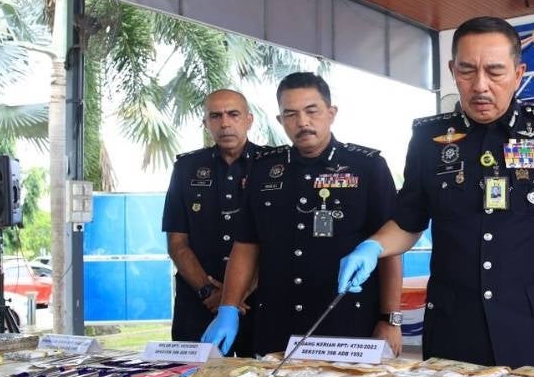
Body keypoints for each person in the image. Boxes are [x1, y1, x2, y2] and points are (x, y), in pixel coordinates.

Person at [337, 16, 534, 371]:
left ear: (518, 73)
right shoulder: (429, 139)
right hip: (455, 328)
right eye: (467, 71)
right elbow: (408, 222)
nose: (480, 85)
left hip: (533, 327)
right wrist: (373, 247)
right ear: (453, 71)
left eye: (495, 72)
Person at [202, 72, 403, 356]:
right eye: (291, 114)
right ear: (280, 120)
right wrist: (228, 308)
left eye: (312, 111)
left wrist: (390, 318)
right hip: (277, 325)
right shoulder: (263, 170)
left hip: (347, 325)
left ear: (331, 113)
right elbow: (246, 245)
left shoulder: (367, 167)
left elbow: (389, 249)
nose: (303, 122)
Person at [161, 89, 259, 355]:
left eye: (233, 114)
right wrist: (209, 293)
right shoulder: (186, 168)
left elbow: (279, 240)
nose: (225, 123)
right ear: (206, 123)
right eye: (215, 116)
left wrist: (235, 298)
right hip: (199, 302)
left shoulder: (272, 166)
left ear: (249, 120)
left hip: (257, 302)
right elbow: (177, 243)